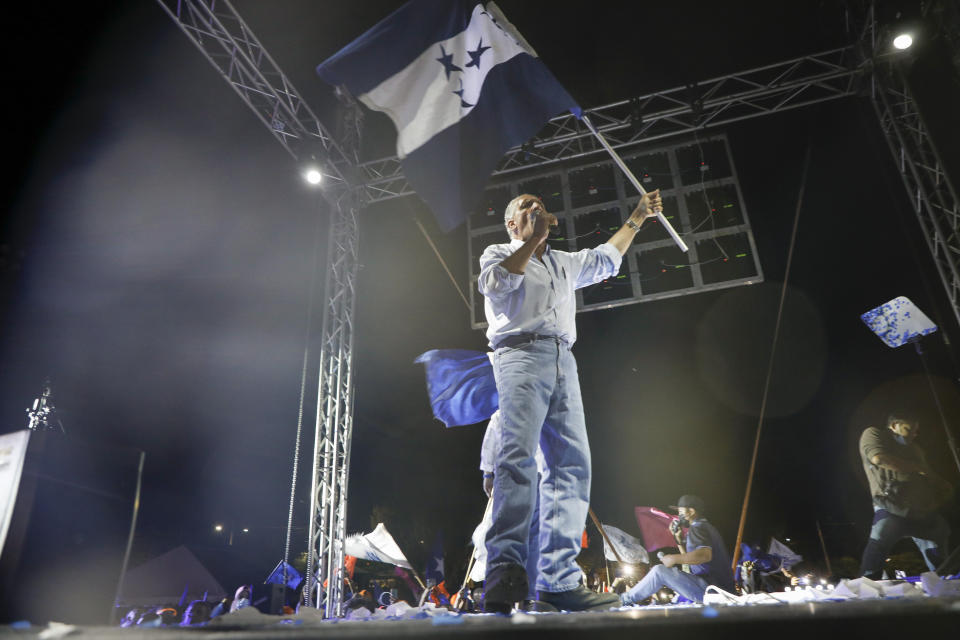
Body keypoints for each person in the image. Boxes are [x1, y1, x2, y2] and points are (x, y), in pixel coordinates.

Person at [478, 189, 661, 613]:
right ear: (511, 224)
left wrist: (636, 217)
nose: (535, 207)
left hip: (563, 358)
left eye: (539, 204)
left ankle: (557, 580)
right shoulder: (498, 251)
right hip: (519, 354)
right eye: (526, 205)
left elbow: (605, 258)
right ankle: (505, 572)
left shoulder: (562, 262)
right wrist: (531, 241)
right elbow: (495, 284)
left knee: (571, 466)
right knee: (517, 459)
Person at [859, 415, 953, 578]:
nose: (913, 435)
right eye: (909, 429)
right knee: (880, 541)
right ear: (894, 425)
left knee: (940, 537)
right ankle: (867, 584)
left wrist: (943, 485)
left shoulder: (915, 449)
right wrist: (915, 467)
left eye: (916, 431)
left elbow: (927, 474)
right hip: (892, 507)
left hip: (921, 512)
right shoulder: (874, 434)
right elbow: (879, 458)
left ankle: (944, 582)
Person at [480, 410, 555, 611]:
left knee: (534, 534)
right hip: (510, 473)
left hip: (538, 475)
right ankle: (499, 591)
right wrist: (488, 472)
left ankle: (528, 595)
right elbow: (491, 440)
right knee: (508, 527)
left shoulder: (541, 411)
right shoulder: (501, 413)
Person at [621, 495, 734, 605]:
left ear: (691, 512)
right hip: (715, 588)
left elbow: (704, 555)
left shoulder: (698, 527)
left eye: (680, 512)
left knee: (659, 571)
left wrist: (672, 558)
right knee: (661, 572)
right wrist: (679, 541)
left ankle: (623, 600)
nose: (678, 516)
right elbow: (692, 563)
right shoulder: (705, 527)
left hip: (712, 589)